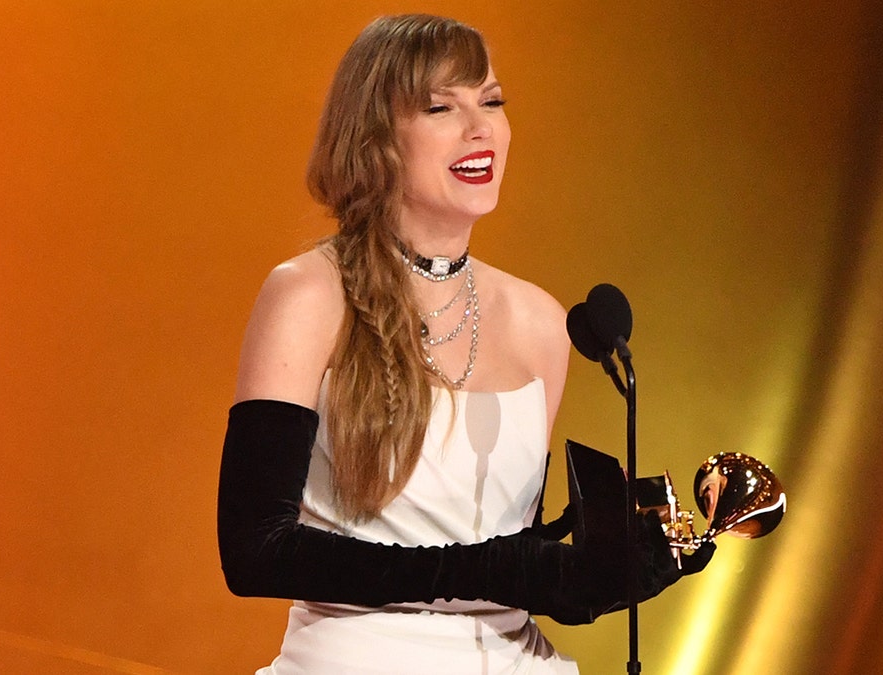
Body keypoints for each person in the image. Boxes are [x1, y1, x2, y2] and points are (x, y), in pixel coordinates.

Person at [216, 14, 714, 674]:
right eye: (441, 106)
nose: (480, 127)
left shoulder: (540, 323)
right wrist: (495, 569)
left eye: (492, 100)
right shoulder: (308, 295)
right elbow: (254, 550)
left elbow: (509, 563)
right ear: (375, 138)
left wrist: (593, 570)